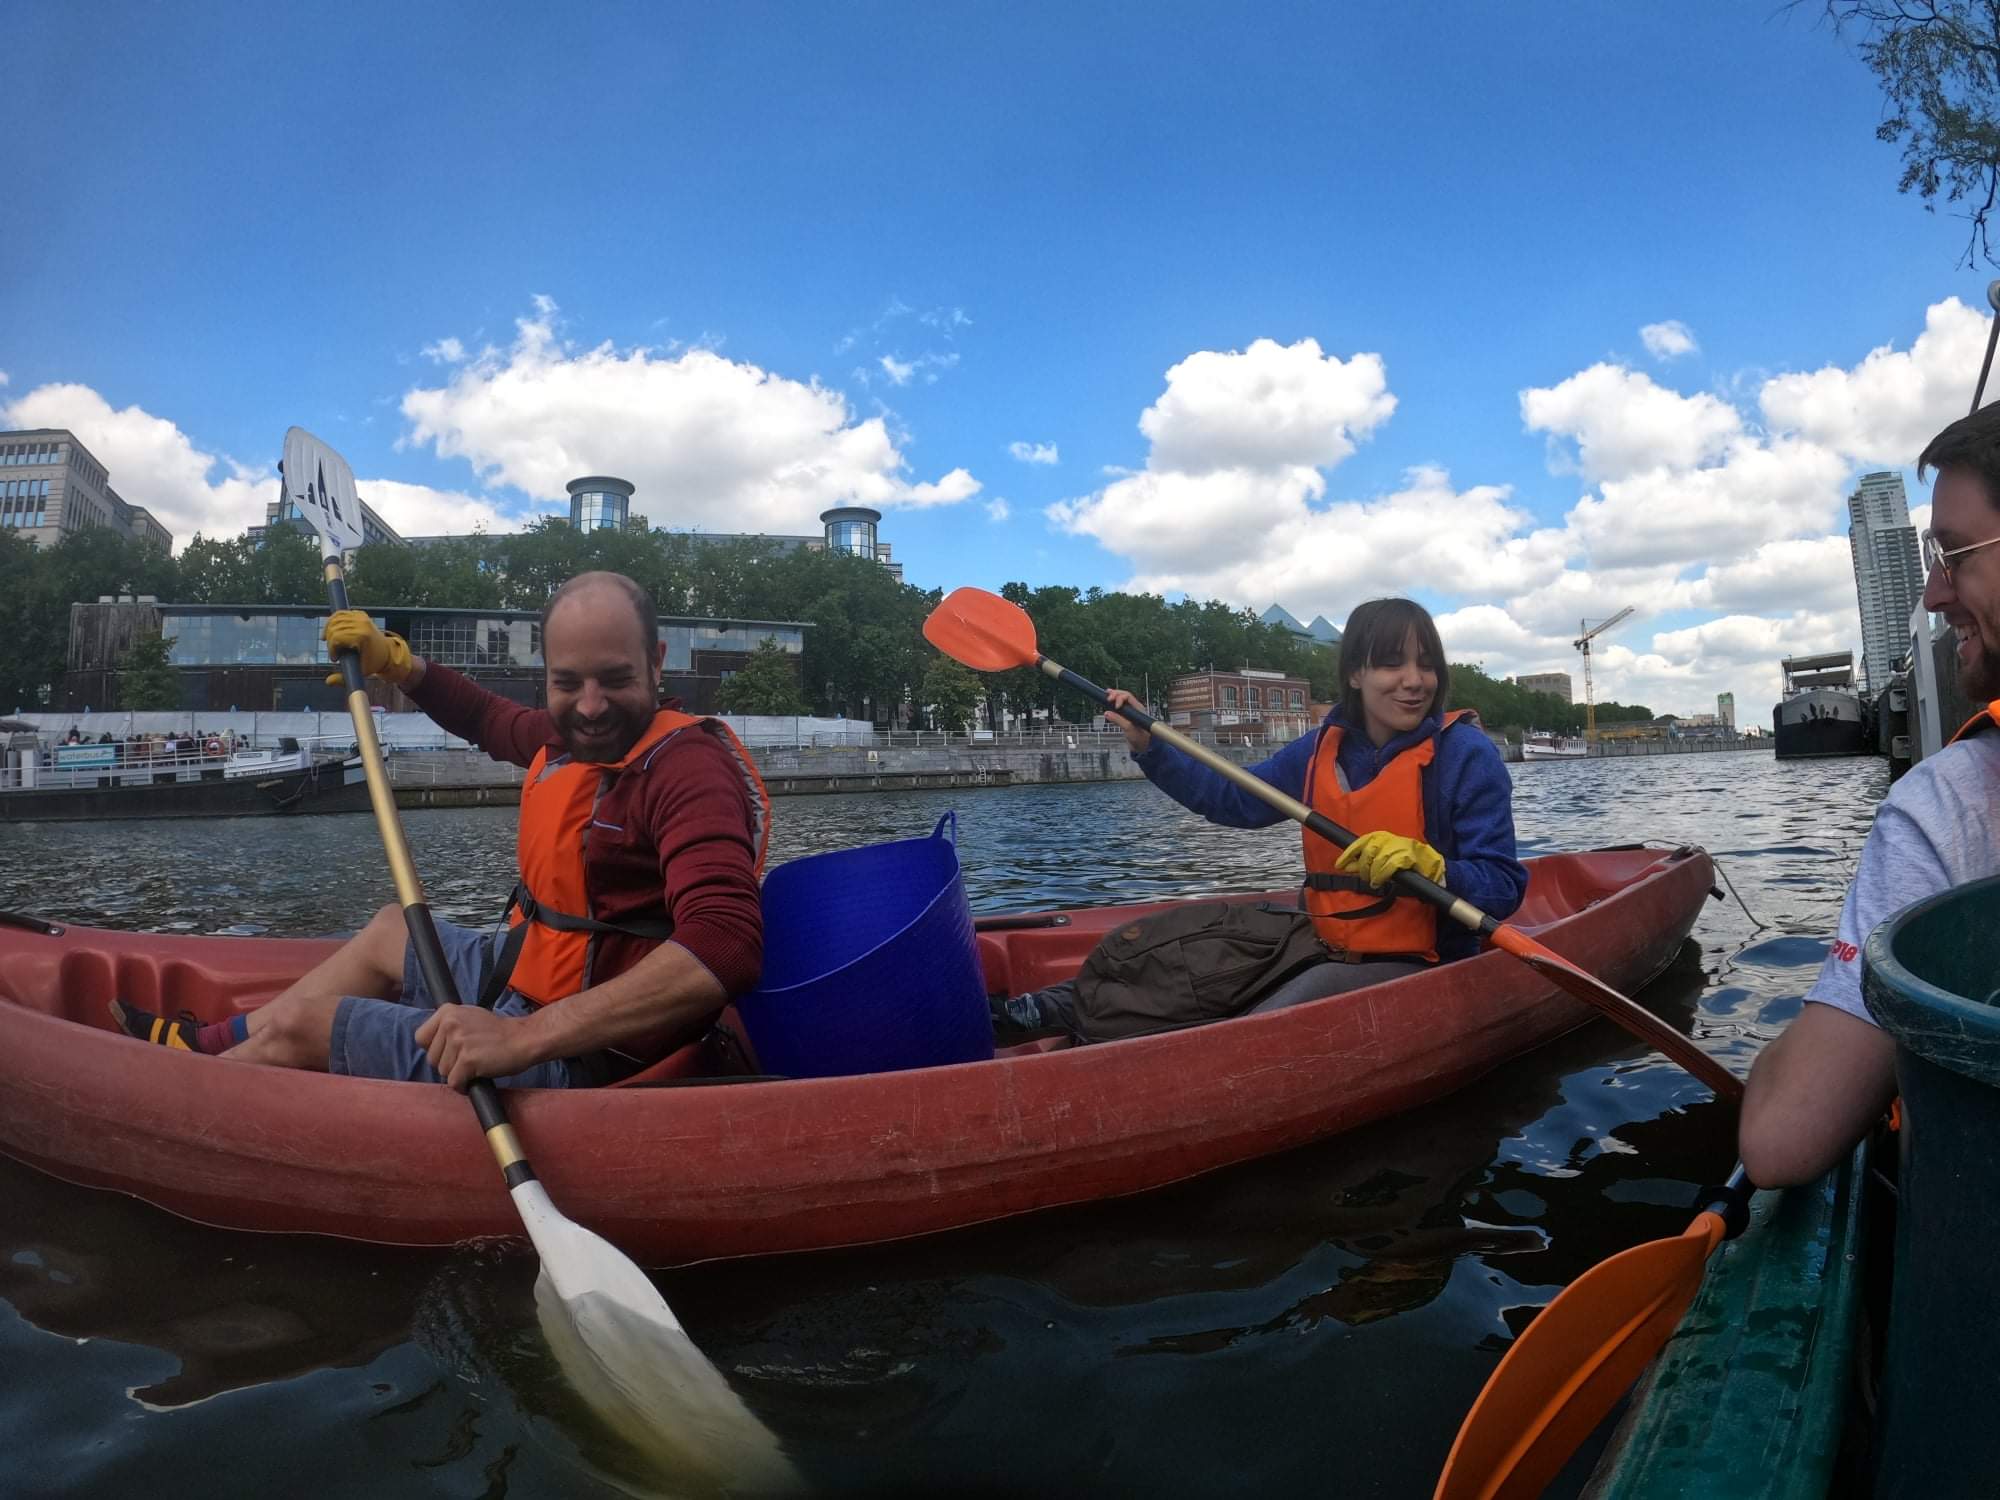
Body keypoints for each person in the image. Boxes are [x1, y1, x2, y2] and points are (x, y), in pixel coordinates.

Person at [111, 571, 771, 1091]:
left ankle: (161, 1102)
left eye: (615, 679)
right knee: (388, 929)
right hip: (526, 980)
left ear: (656, 663)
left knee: (304, 1025)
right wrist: (396, 662)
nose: (590, 706)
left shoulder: (687, 769)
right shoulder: (571, 735)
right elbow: (486, 717)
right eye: (567, 683)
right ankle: (209, 1044)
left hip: (584, 1052)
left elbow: (725, 948)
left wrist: (523, 1039)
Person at [998, 597, 1526, 1036]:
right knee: (1169, 958)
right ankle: (1038, 1011)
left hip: (1420, 960)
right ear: (1355, 674)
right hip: (1317, 936)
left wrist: (1436, 870)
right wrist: (1150, 746)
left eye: (1426, 663)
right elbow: (1232, 800)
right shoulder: (1318, 749)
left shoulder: (1466, 756)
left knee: (1258, 1028)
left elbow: (1503, 886)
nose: (1414, 680)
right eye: (1393, 663)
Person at [1741, 404, 2000, 1186]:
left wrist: (1771, 1069)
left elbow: (1781, 1141)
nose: (1931, 593)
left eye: (1955, 555)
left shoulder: (1953, 805)